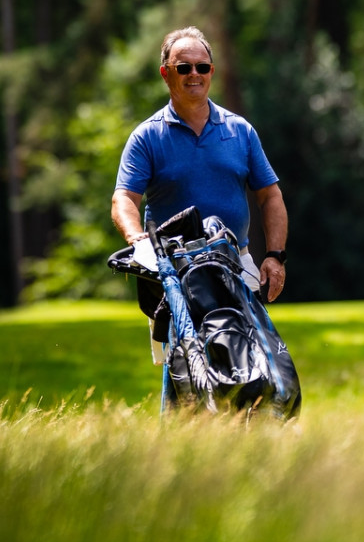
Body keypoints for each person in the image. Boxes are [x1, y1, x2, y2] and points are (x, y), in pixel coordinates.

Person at [111, 27, 290, 388]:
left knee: (255, 364)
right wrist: (138, 241)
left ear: (212, 72)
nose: (194, 74)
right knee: (185, 370)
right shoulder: (148, 136)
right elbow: (123, 200)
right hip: (174, 271)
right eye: (184, 68)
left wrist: (274, 255)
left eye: (202, 67)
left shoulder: (240, 131)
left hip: (236, 262)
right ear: (166, 74)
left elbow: (270, 196)